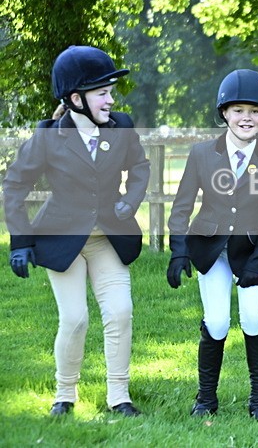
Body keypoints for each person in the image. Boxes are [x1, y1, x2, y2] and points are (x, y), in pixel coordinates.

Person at [3, 45, 150, 417]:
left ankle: (120, 396)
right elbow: (15, 187)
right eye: (102, 92)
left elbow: (140, 168)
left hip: (108, 240)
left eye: (110, 92)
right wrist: (20, 242)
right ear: (76, 98)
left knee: (120, 312)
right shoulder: (48, 137)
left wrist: (129, 202)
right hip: (62, 239)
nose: (110, 99)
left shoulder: (123, 127)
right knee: (75, 318)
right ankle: (64, 395)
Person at [166, 69, 258, 419]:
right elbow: (182, 206)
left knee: (252, 318)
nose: (245, 118)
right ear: (224, 113)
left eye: (253, 111)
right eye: (238, 110)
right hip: (211, 251)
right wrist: (179, 251)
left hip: (252, 252)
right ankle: (206, 397)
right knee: (217, 321)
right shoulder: (202, 153)